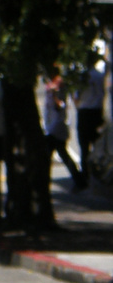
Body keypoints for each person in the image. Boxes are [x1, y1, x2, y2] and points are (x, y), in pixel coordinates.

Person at [44, 73, 88, 190]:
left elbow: (60, 104)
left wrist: (54, 94)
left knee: (47, 156)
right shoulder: (53, 86)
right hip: (53, 127)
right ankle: (79, 179)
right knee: (62, 154)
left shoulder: (58, 87)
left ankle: (43, 182)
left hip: (56, 127)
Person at [78, 40, 107, 169]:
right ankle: (99, 170)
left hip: (84, 112)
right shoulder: (100, 76)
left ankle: (85, 175)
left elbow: (76, 98)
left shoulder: (81, 77)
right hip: (97, 112)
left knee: (84, 147)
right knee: (98, 145)